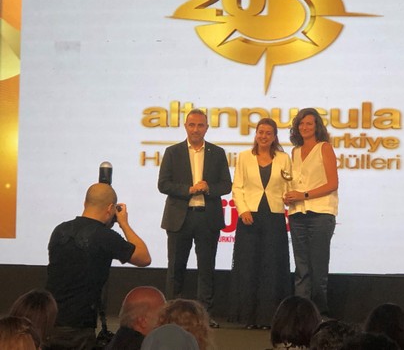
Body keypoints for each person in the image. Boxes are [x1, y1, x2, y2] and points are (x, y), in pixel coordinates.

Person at [45, 182, 151, 350]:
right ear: (110, 208)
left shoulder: (60, 230)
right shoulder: (105, 237)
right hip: (80, 327)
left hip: (49, 320)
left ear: (85, 203)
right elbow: (144, 258)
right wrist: (124, 223)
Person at [158, 108, 232, 328]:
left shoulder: (217, 153)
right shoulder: (173, 152)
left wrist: (209, 188)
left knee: (206, 270)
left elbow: (226, 185)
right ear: (185, 127)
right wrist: (188, 190)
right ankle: (170, 315)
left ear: (207, 128)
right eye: (192, 125)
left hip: (207, 218)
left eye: (200, 125)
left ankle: (204, 315)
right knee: (176, 268)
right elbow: (163, 184)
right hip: (179, 217)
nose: (196, 129)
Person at [229, 117, 292, 329]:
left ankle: (268, 318)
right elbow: (237, 187)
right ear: (256, 134)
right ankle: (248, 317)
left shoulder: (284, 158)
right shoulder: (244, 157)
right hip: (249, 218)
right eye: (260, 132)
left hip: (274, 217)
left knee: (272, 267)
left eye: (268, 133)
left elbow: (288, 185)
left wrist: (289, 198)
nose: (263, 136)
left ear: (274, 137)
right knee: (248, 267)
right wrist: (243, 210)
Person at [284, 108, 339, 317]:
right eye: (301, 123)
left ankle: (319, 314)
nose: (304, 127)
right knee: (301, 267)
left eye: (309, 123)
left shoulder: (324, 148)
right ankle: (301, 314)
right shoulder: (295, 151)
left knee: (318, 267)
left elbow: (332, 183)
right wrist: (290, 196)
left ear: (317, 126)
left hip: (320, 213)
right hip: (297, 213)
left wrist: (304, 195)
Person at [105, 286, 166, 350]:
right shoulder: (145, 346)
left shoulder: (117, 342)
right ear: (143, 321)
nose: (166, 321)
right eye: (162, 316)